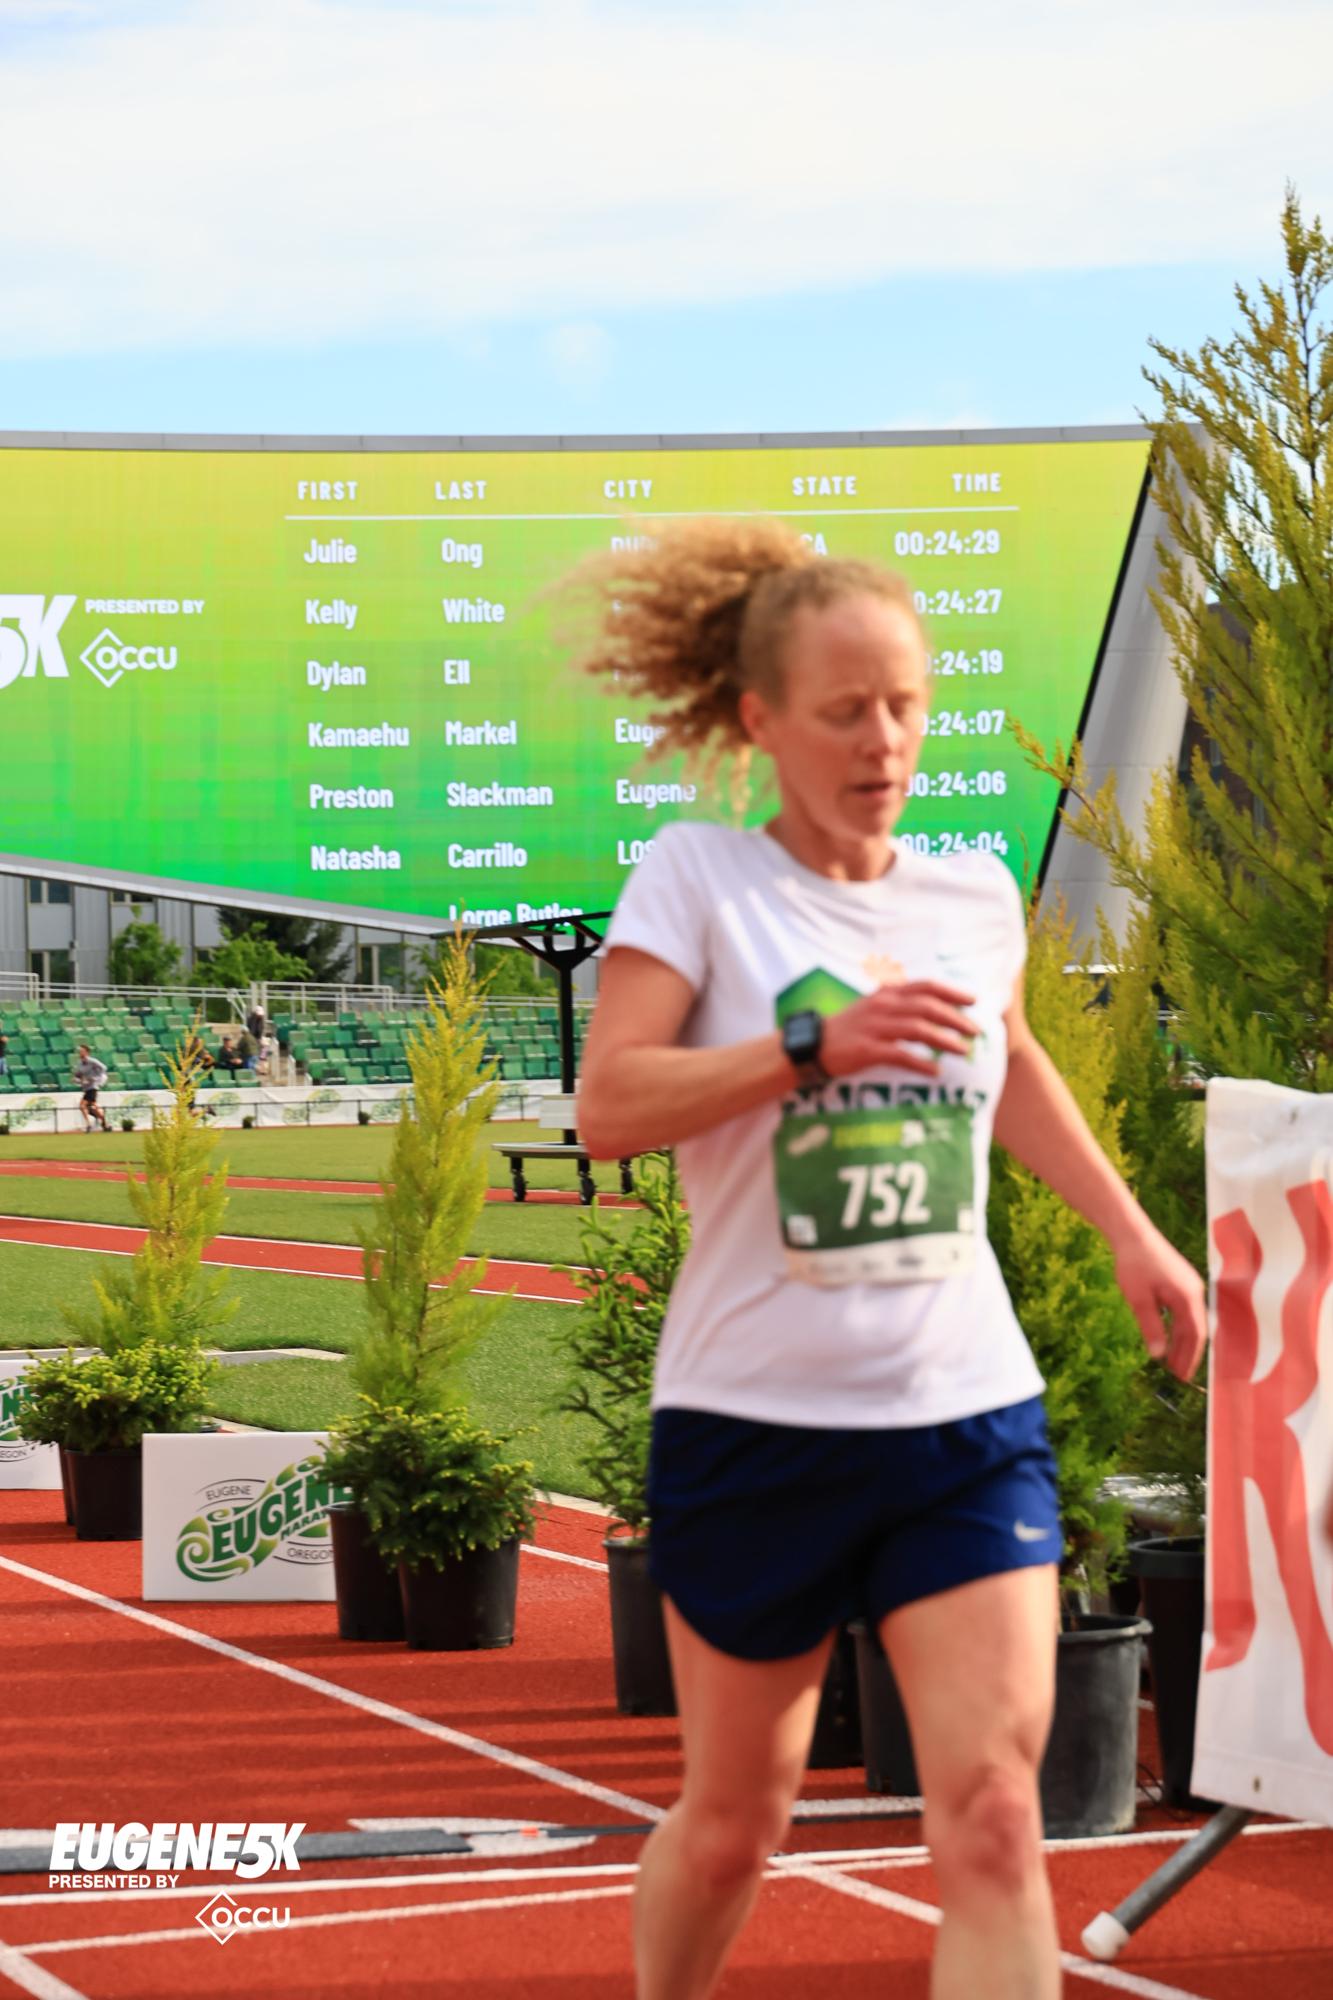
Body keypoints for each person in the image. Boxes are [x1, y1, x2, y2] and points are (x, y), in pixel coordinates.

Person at [574, 520, 1208, 2000]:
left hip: (959, 1422)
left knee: (991, 1812)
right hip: (754, 1425)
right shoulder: (701, 881)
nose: (882, 740)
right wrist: (812, 1044)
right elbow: (611, 1104)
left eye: (905, 704)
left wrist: (1131, 1231)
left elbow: (1011, 1056)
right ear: (760, 721)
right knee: (736, 1823)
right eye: (844, 709)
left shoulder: (969, 894)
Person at [72, 1044, 110, 1132]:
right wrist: (76, 1078)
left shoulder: (92, 1061)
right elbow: (79, 1074)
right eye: (79, 1051)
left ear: (87, 1052)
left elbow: (104, 1068)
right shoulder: (80, 1063)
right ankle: (105, 1123)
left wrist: (95, 1078)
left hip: (93, 1087)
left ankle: (88, 1124)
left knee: (82, 1105)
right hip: (86, 1087)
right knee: (92, 1107)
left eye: (82, 1051)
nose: (80, 1053)